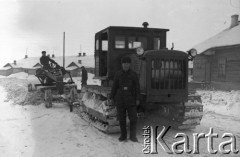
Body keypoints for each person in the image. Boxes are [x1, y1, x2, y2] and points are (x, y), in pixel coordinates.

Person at [109, 56, 140, 142]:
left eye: (127, 63)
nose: (126, 65)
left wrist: (137, 98)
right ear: (122, 64)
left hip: (131, 100)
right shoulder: (118, 74)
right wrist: (111, 97)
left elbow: (137, 87)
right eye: (124, 63)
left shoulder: (134, 74)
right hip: (121, 100)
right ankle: (123, 136)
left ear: (129, 64)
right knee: (122, 119)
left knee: (133, 119)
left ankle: (133, 136)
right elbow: (114, 86)